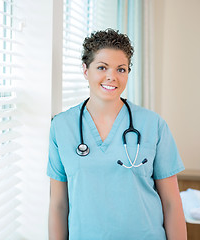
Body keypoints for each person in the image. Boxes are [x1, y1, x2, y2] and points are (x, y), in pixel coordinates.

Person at [47, 29, 187, 240]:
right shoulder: (62, 126)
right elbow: (58, 204)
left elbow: (171, 202)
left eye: (121, 69)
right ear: (85, 70)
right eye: (102, 67)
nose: (112, 76)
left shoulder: (152, 124)